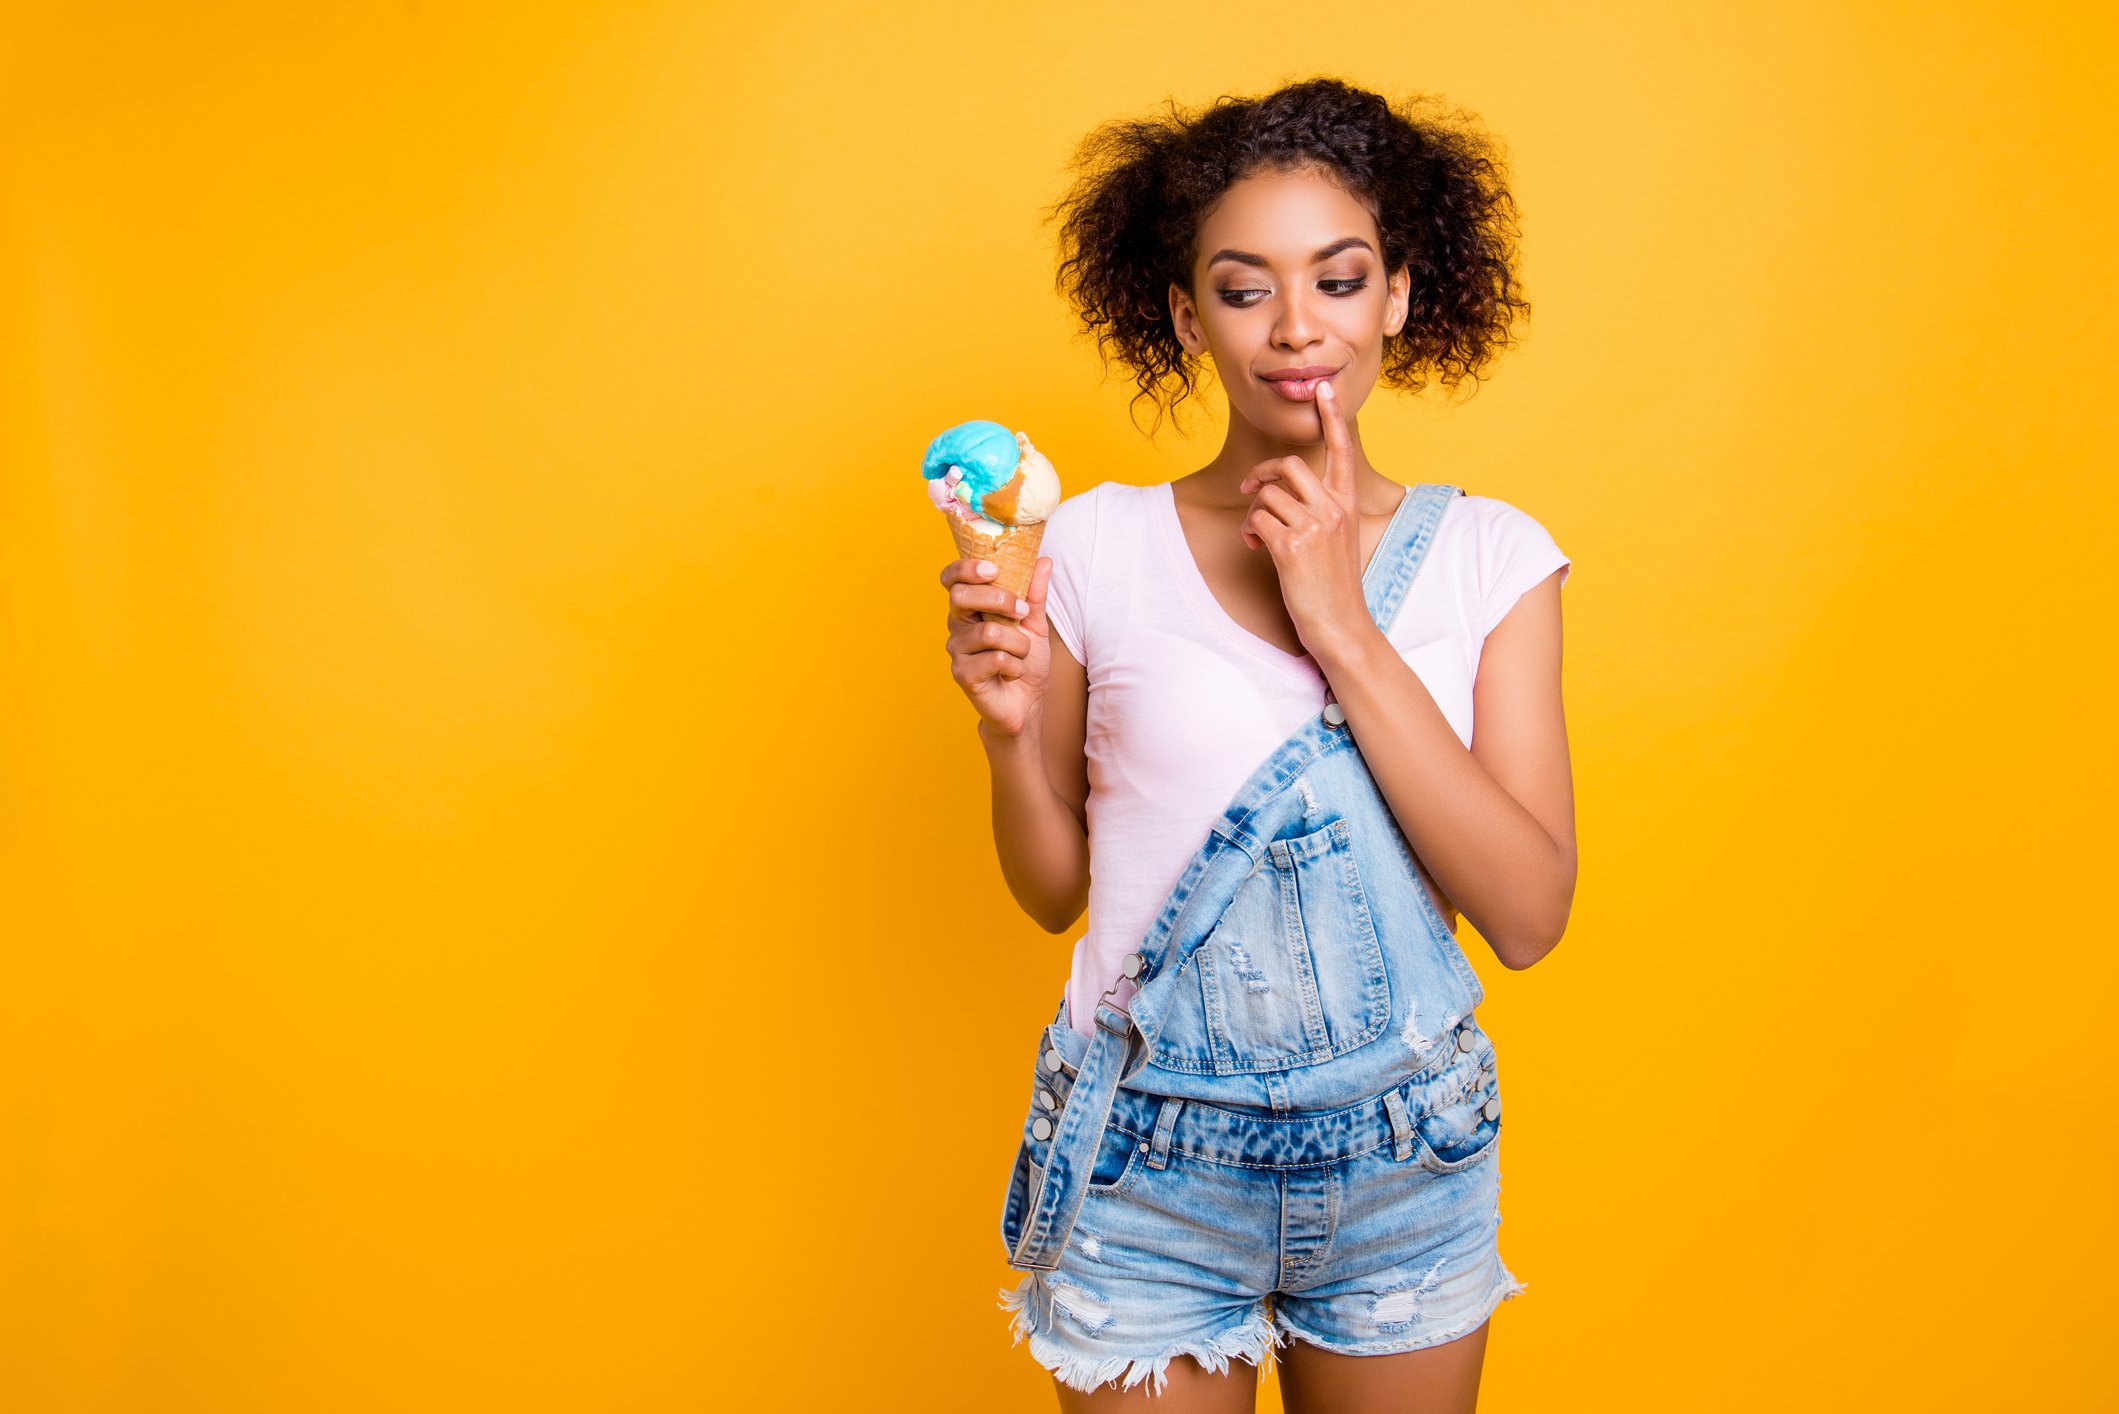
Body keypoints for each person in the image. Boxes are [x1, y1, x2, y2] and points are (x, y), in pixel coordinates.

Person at [938, 77, 1575, 1412]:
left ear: (1400, 292)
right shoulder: (1100, 547)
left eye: (1339, 279)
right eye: (1243, 289)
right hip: (1142, 1166)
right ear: (1184, 315)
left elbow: (1526, 912)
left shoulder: (1490, 559)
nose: (1298, 327)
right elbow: (1054, 888)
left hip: (1402, 1156)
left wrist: (1342, 622)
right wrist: (1007, 739)